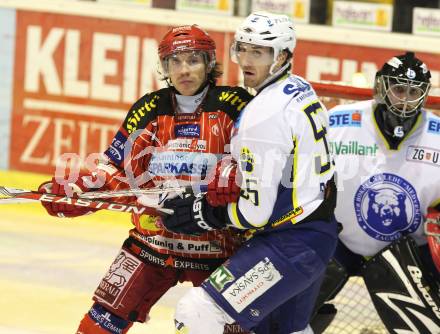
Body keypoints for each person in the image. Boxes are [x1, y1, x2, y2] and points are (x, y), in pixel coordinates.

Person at [38, 25, 253, 334]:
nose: (183, 70)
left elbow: (255, 167)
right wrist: (79, 190)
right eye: (174, 62)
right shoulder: (150, 107)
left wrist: (233, 179)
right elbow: (114, 170)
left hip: (219, 247)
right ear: (164, 67)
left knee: (237, 327)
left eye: (193, 60)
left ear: (209, 63)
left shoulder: (235, 105)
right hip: (153, 243)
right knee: (99, 323)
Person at [160, 11, 339, 334]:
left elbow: (254, 214)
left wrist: (204, 211)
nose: (245, 59)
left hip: (289, 246)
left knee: (196, 312)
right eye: (242, 49)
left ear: (282, 55)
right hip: (317, 236)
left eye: (258, 52)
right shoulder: (299, 88)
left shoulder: (263, 114)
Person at [310, 52, 440, 333]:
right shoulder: (340, 121)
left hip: (407, 251)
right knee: (292, 309)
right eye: (399, 89)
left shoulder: (438, 135)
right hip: (339, 240)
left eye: (414, 91)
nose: (405, 98)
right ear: (382, 87)